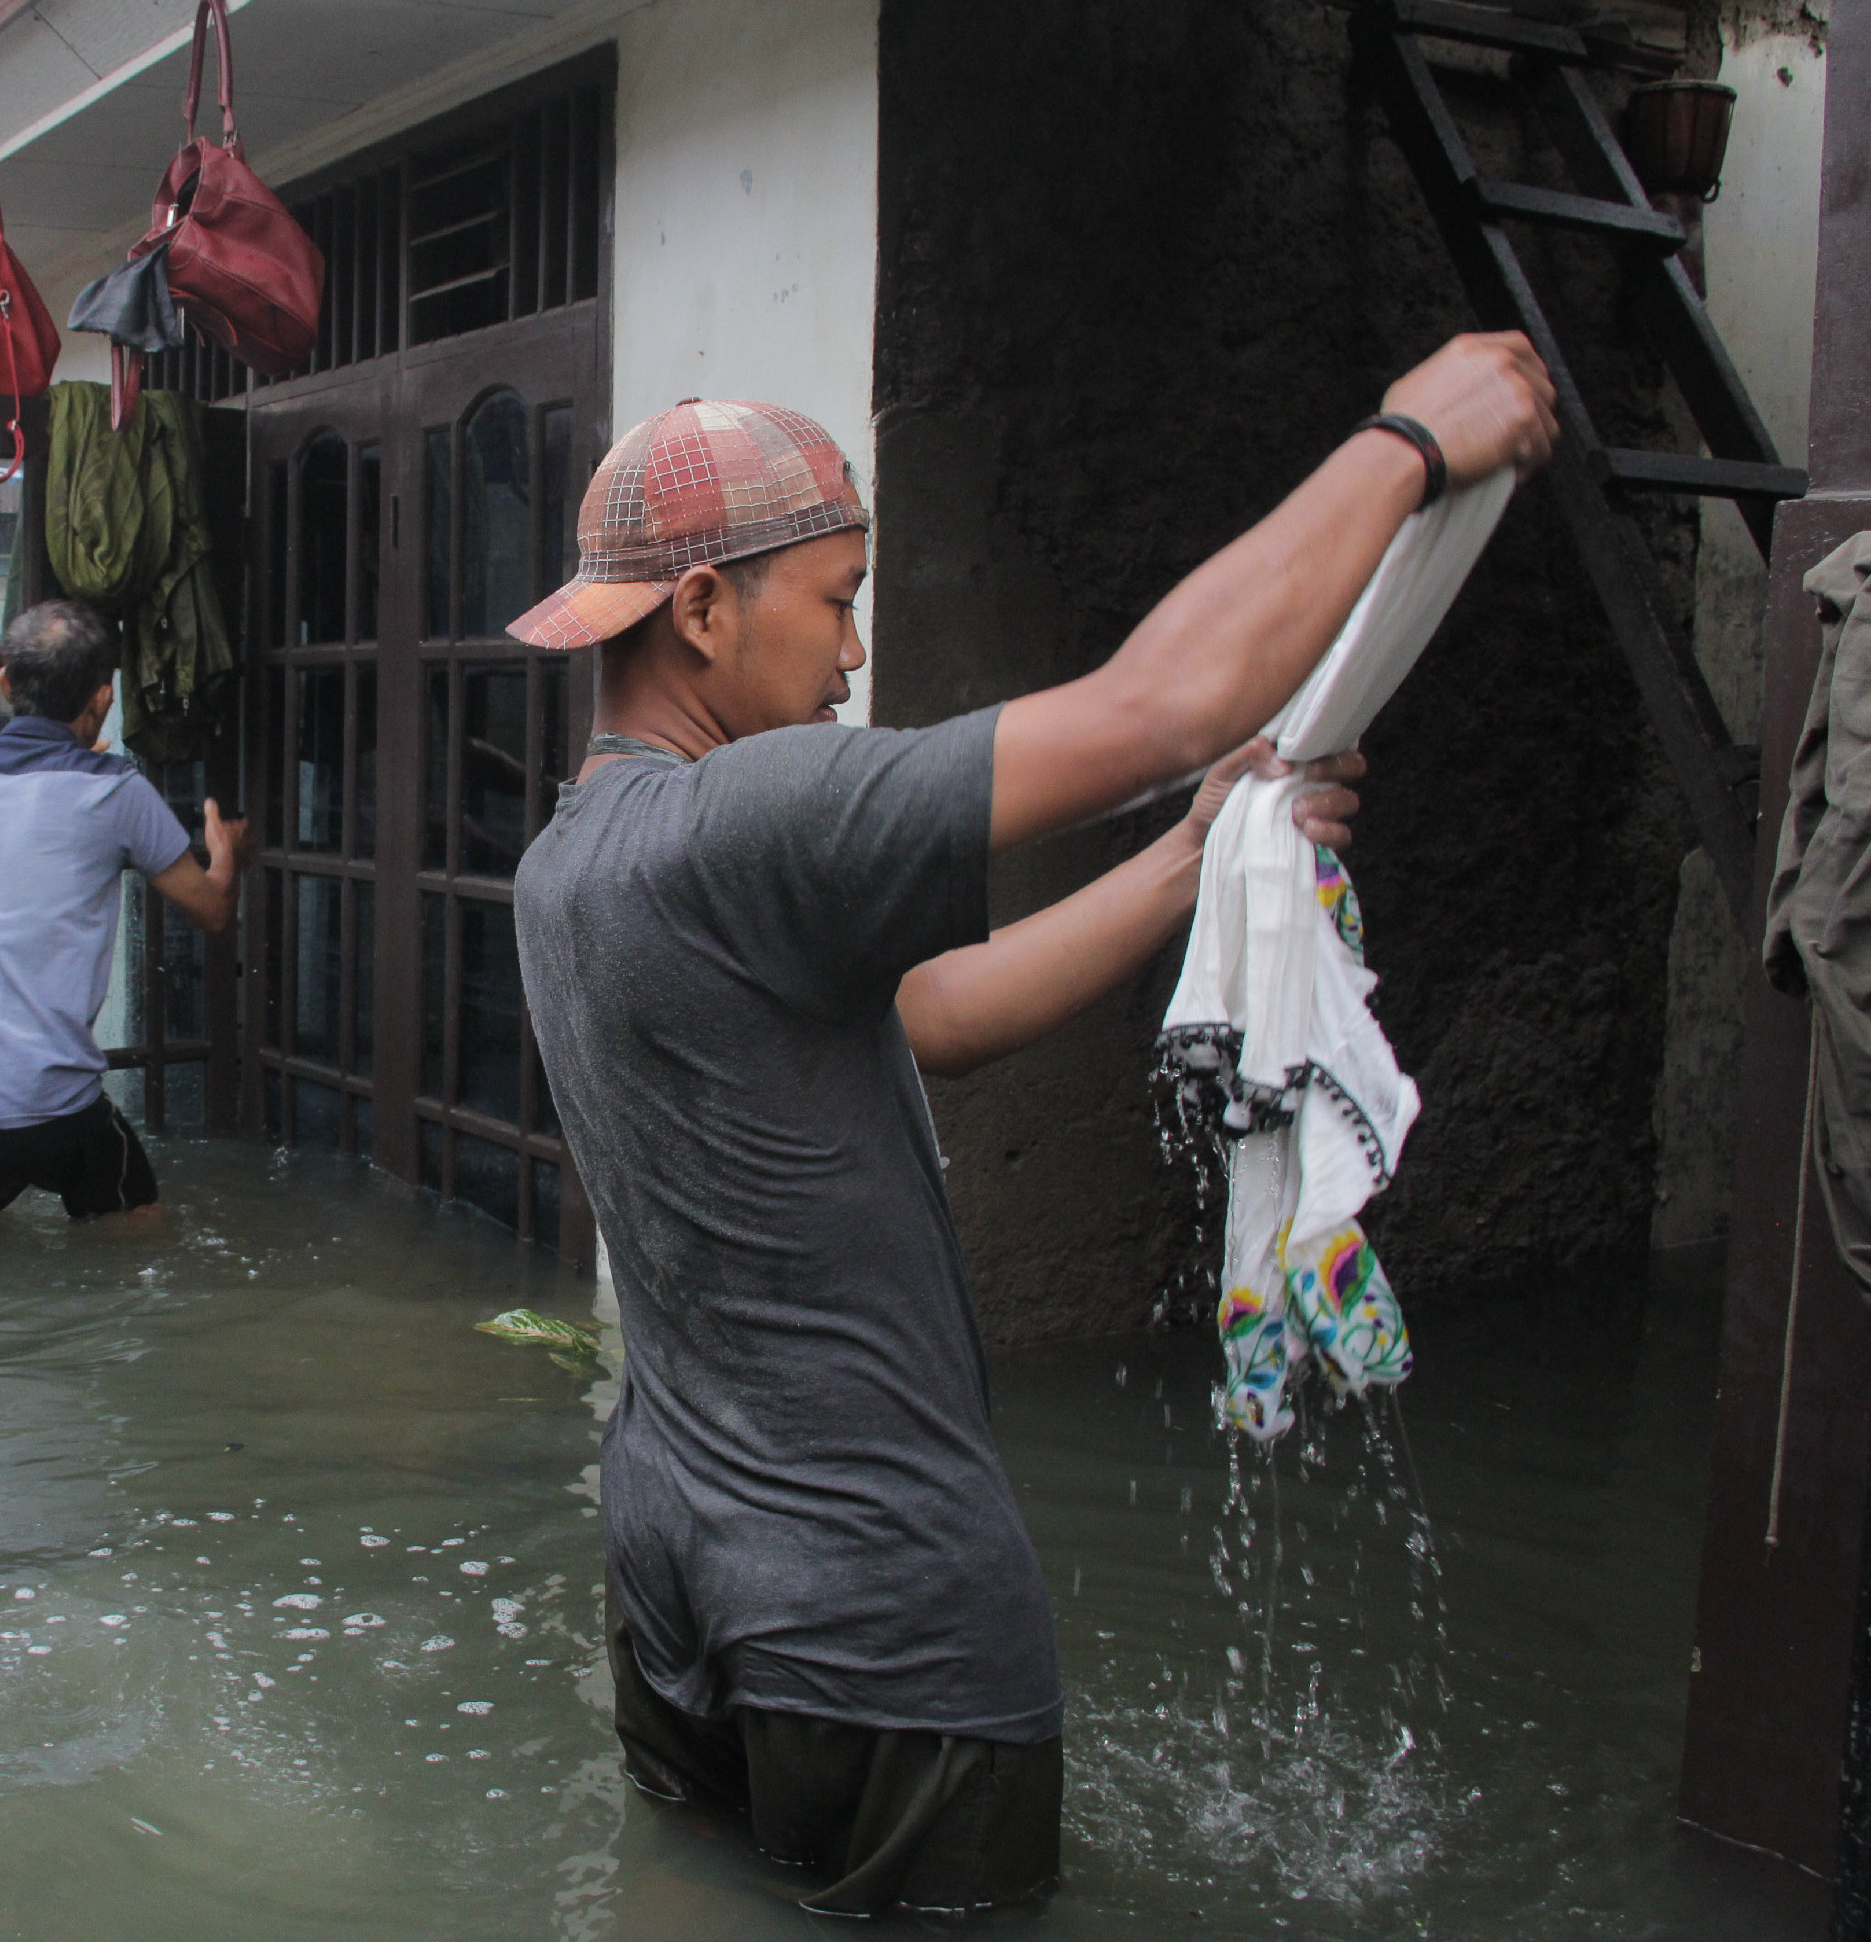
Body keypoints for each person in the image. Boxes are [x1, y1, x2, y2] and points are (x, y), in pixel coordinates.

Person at [510, 338, 1556, 1919]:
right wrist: (1410, 439)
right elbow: (1166, 704)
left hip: (676, 1575)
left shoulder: (572, 862)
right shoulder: (758, 815)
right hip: (883, 1616)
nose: (854, 657)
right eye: (839, 596)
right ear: (705, 610)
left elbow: (929, 1016)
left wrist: (1193, 854)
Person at [0, 600, 251, 1244]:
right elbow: (212, 911)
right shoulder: (116, 792)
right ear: (104, 696)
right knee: (137, 1222)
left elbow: (23, 829)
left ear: (6, 684)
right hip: (51, 1111)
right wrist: (225, 850)